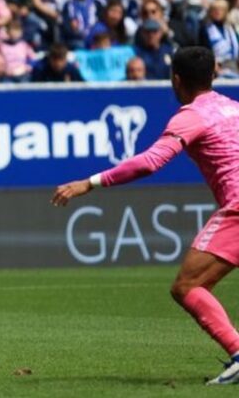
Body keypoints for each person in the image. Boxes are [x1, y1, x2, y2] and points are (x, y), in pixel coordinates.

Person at [51, 46, 239, 384]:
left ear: (176, 80)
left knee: (188, 286)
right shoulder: (234, 107)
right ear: (214, 74)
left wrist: (88, 183)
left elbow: (150, 162)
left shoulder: (190, 116)